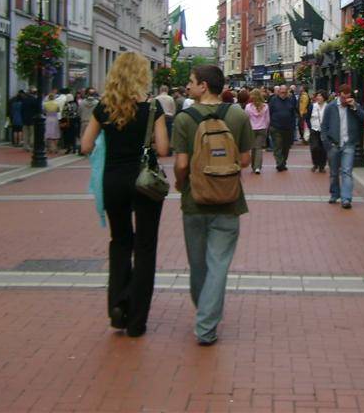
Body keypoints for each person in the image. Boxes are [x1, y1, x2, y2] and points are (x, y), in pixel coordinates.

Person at [80, 52, 169, 338]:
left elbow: (85, 145)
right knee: (145, 247)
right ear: (142, 75)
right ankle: (137, 320)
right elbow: (163, 149)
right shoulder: (152, 107)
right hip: (144, 182)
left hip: (114, 180)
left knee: (119, 242)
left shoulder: (104, 108)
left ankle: (118, 305)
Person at [171, 64, 253, 345]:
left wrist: (180, 183)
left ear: (203, 86)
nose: (188, 86)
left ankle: (205, 315)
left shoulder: (184, 119)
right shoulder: (238, 115)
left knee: (198, 265)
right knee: (218, 264)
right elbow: (245, 160)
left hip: (194, 200)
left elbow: (182, 164)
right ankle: (207, 322)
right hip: (229, 200)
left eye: (191, 81)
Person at [321, 84, 364, 208]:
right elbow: (324, 126)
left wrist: (354, 107)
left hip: (348, 143)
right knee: (334, 173)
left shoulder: (354, 106)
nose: (346, 99)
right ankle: (335, 194)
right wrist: (326, 142)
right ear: (339, 94)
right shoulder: (330, 107)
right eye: (343, 96)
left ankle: (346, 199)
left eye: (348, 96)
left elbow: (363, 118)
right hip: (333, 144)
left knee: (346, 172)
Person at [267, 84, 298, 172]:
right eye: (281, 92)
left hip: (288, 128)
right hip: (276, 127)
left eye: (285, 92)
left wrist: (293, 125)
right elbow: (269, 112)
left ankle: (283, 162)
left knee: (286, 147)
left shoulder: (291, 100)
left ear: (287, 92)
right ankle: (279, 163)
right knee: (278, 146)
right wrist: (270, 124)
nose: (283, 94)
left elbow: (294, 113)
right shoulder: (273, 100)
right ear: (279, 92)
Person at [245, 88, 270, 174]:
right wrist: (266, 127)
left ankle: (253, 165)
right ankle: (257, 167)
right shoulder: (265, 106)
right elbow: (267, 119)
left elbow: (246, 118)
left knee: (253, 148)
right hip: (262, 128)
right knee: (259, 148)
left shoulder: (248, 107)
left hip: (251, 129)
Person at [308, 91, 328, 173]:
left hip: (324, 131)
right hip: (314, 130)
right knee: (314, 148)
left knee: (323, 149)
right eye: (317, 96)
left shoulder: (328, 107)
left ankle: (322, 166)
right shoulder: (313, 106)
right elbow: (307, 117)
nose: (318, 97)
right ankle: (315, 164)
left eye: (320, 96)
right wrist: (310, 127)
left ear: (324, 97)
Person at [43, 92, 61, 156]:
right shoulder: (56, 104)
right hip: (54, 118)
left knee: (48, 134)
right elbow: (58, 110)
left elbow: (44, 112)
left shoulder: (45, 104)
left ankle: (49, 148)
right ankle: (55, 148)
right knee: (55, 134)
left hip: (48, 119)